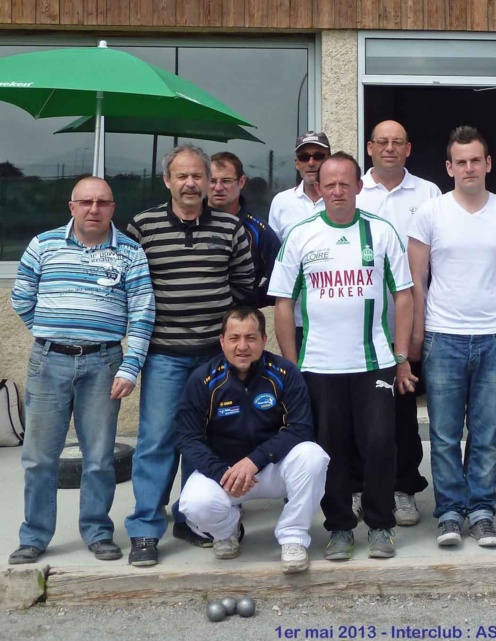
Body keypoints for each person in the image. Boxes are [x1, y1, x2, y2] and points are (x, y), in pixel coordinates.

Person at [270, 152, 416, 561]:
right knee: (328, 449)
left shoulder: (382, 232)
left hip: (373, 363)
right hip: (318, 366)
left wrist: (401, 355)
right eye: (328, 183)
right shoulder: (301, 235)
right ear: (319, 187)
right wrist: (291, 365)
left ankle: (381, 525)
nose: (336, 190)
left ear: (358, 186)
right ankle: (339, 528)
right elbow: (283, 302)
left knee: (379, 445)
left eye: (344, 183)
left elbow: (403, 295)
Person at [8, 177, 155, 565]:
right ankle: (35, 536)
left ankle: (96, 531)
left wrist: (131, 365)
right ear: (71, 206)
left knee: (99, 457)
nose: (94, 209)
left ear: (113, 207)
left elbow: (142, 314)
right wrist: (52, 331)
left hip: (104, 364)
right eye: (86, 202)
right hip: (48, 361)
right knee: (40, 457)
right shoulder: (44, 244)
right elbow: (21, 296)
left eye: (102, 202)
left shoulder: (130, 253)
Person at [125, 144, 255, 567]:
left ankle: (189, 517)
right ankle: (145, 528)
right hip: (164, 354)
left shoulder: (230, 228)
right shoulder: (142, 227)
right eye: (181, 175)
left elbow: (242, 286)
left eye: (197, 175)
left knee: (208, 440)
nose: (190, 183)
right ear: (167, 180)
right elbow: (130, 286)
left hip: (212, 358)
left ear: (207, 179)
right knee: (157, 440)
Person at [408, 126, 496, 548]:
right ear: (449, 167)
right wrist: (418, 332)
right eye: (461, 161)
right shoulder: (430, 213)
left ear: (489, 164)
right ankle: (450, 514)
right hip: (444, 337)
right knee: (442, 434)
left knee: (486, 433)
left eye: (476, 160)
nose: (469, 168)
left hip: (493, 336)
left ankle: (481, 511)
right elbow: (417, 279)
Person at [176, 307, 329, 574]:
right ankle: (227, 530)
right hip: (226, 474)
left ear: (264, 340)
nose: (242, 346)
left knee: (313, 456)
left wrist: (254, 461)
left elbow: (301, 428)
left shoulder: (284, 372)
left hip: (274, 470)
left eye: (251, 337)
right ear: (222, 341)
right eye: (234, 338)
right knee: (193, 503)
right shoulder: (203, 379)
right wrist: (221, 472)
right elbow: (188, 438)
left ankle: (293, 537)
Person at [353, 120, 441, 527]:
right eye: (382, 142)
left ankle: (404, 487)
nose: (389, 148)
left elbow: (434, 265)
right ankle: (360, 486)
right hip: (356, 327)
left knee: (403, 411)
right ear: (369, 148)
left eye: (397, 142)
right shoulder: (352, 190)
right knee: (358, 412)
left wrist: (419, 329)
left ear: (409, 149)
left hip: (405, 324)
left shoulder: (428, 193)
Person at [268, 131, 331, 353]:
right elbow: (276, 256)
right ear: (296, 163)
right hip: (295, 318)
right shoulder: (281, 202)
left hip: (335, 316)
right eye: (304, 157)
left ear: (328, 160)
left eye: (318, 155)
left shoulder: (345, 200)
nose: (311, 162)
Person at [209, 152, 281, 309]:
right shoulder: (191, 223)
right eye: (212, 181)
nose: (218, 187)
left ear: (241, 182)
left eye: (226, 181)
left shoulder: (258, 230)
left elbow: (283, 279)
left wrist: (251, 300)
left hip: (238, 325)